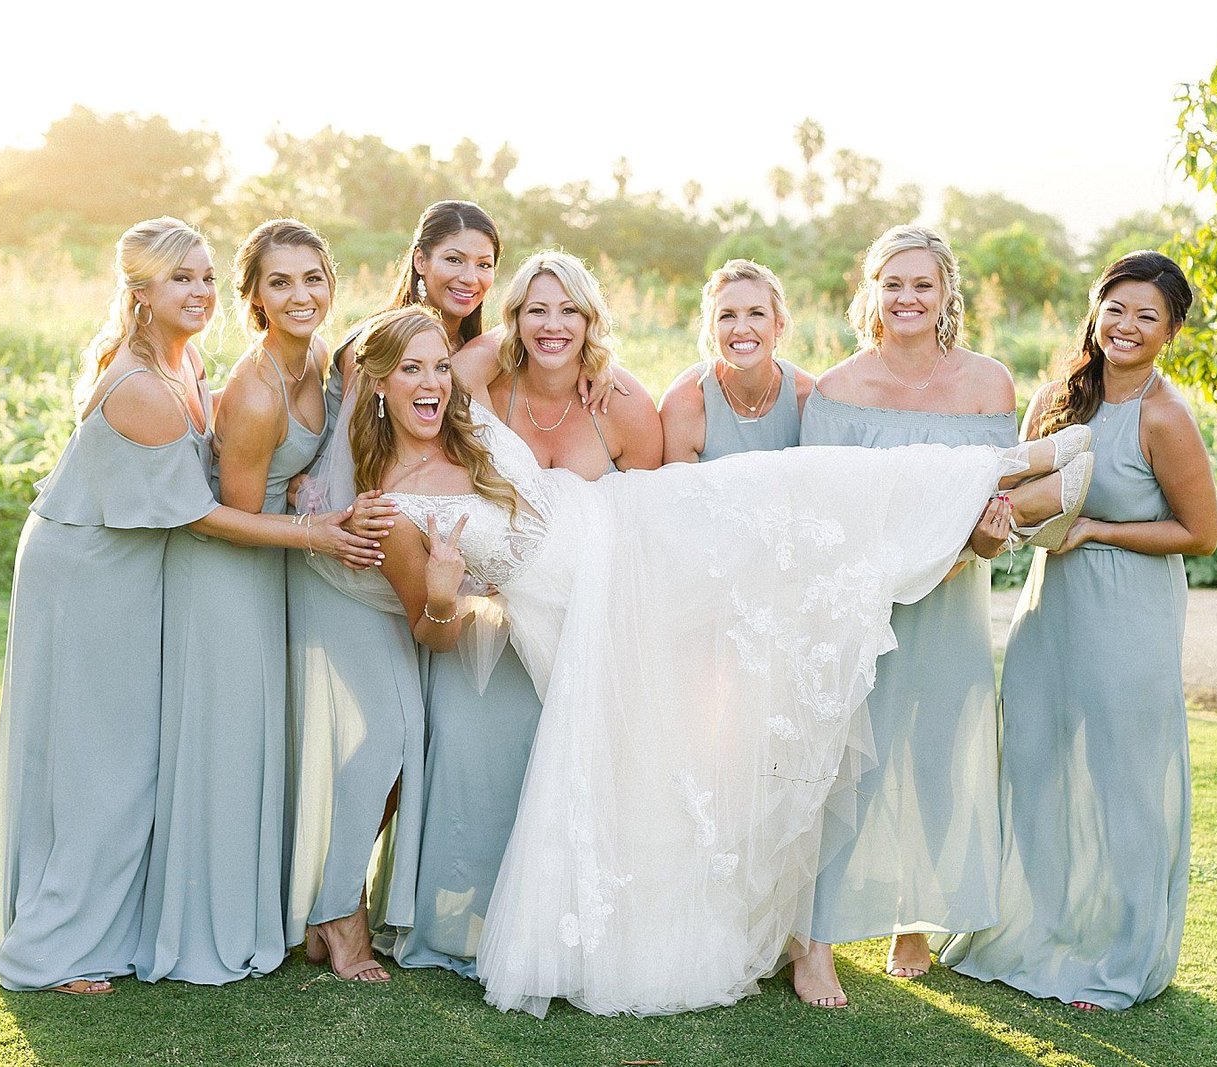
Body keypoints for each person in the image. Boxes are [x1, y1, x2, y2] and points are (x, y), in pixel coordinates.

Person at [306, 303, 1093, 1017]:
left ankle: (1007, 473)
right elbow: (430, 629)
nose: (433, 380)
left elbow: (520, 330)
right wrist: (446, 592)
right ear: (374, 382)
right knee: (778, 597)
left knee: (790, 485)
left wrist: (549, 350)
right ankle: (1015, 502)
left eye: (438, 364)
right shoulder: (396, 507)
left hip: (627, 521)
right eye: (409, 368)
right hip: (594, 610)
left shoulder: (467, 419)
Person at [0, 217, 385, 995]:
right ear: (141, 294)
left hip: (140, 560)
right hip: (91, 571)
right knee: (106, 763)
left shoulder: (185, 357)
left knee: (133, 759)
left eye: (204, 276)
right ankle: (52, 951)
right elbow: (200, 511)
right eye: (181, 280)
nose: (198, 292)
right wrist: (315, 530)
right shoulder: (141, 387)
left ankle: (118, 924)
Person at [286, 202, 619, 980]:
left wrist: (597, 366)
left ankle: (365, 897)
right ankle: (340, 911)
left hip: (439, 570)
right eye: (454, 261)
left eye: (482, 265)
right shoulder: (377, 344)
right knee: (395, 739)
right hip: (366, 561)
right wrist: (317, 500)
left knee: (421, 744)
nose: (469, 277)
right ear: (420, 258)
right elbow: (358, 455)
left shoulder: (477, 351)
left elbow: (556, 335)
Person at [940, 250, 1217, 1011]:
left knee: (1122, 780)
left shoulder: (1164, 416)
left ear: (1171, 331)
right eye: (1117, 308)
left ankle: (1118, 956)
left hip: (1129, 614)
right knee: (1032, 759)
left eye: (1147, 316)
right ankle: (1034, 930)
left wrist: (1095, 527)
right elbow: (1025, 498)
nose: (1127, 326)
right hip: (1050, 607)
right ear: (1097, 312)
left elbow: (1200, 532)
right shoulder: (1058, 396)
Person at [395, 251, 661, 978]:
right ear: (513, 318)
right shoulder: (487, 382)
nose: (552, 325)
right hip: (490, 614)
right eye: (535, 308)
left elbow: (646, 534)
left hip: (582, 623)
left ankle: (569, 923)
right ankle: (466, 919)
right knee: (467, 742)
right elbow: (448, 368)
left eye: (569, 310)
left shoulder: (627, 408)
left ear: (591, 320)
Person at [793, 225, 1021, 1007]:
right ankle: (815, 939)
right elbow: (821, 514)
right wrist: (894, 566)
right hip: (864, 605)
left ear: (946, 293)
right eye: (894, 284)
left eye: (923, 284)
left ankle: (911, 920)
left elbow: (997, 501)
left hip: (953, 602)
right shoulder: (836, 390)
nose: (908, 298)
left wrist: (980, 542)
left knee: (935, 757)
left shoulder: (990, 384)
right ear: (872, 294)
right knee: (850, 758)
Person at [134, 219, 338, 983]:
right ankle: (207, 928)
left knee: (259, 740)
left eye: (312, 277)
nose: (300, 294)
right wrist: (321, 531)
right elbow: (239, 518)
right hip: (227, 572)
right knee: (228, 748)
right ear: (253, 297)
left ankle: (266, 908)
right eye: (279, 282)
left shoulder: (321, 358)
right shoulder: (255, 392)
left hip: (275, 564)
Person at [659, 259, 813, 463]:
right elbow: (676, 492)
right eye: (727, 316)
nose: (741, 329)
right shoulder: (683, 403)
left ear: (779, 325)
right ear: (713, 330)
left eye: (756, 314)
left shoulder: (809, 399)